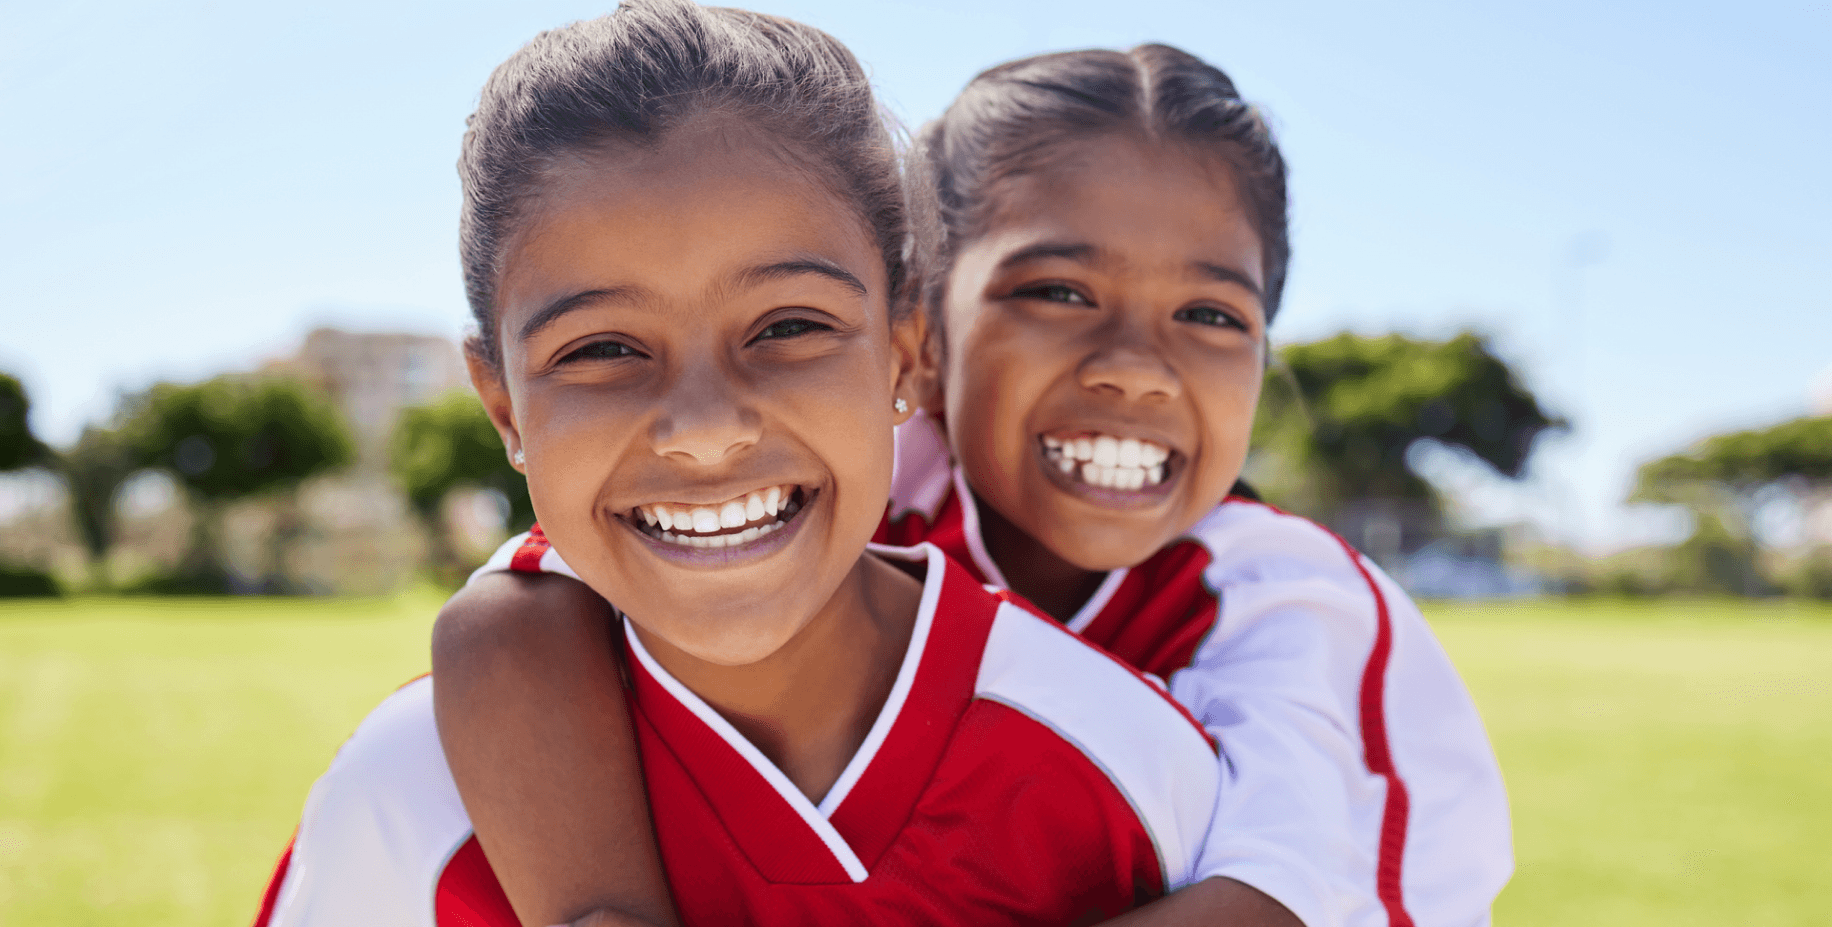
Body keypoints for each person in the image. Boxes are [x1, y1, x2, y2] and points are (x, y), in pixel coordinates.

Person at [433, 35, 1514, 927]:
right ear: (921, 345)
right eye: (1056, 290)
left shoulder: (1282, 598)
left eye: (1211, 315)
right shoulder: (844, 472)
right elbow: (511, 622)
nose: (1135, 368)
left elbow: (1280, 902)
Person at [252, 3, 1243, 925]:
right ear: (505, 410)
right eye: (601, 348)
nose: (704, 428)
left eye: (788, 327)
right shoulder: (413, 796)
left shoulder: (1129, 770)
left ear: (904, 355)